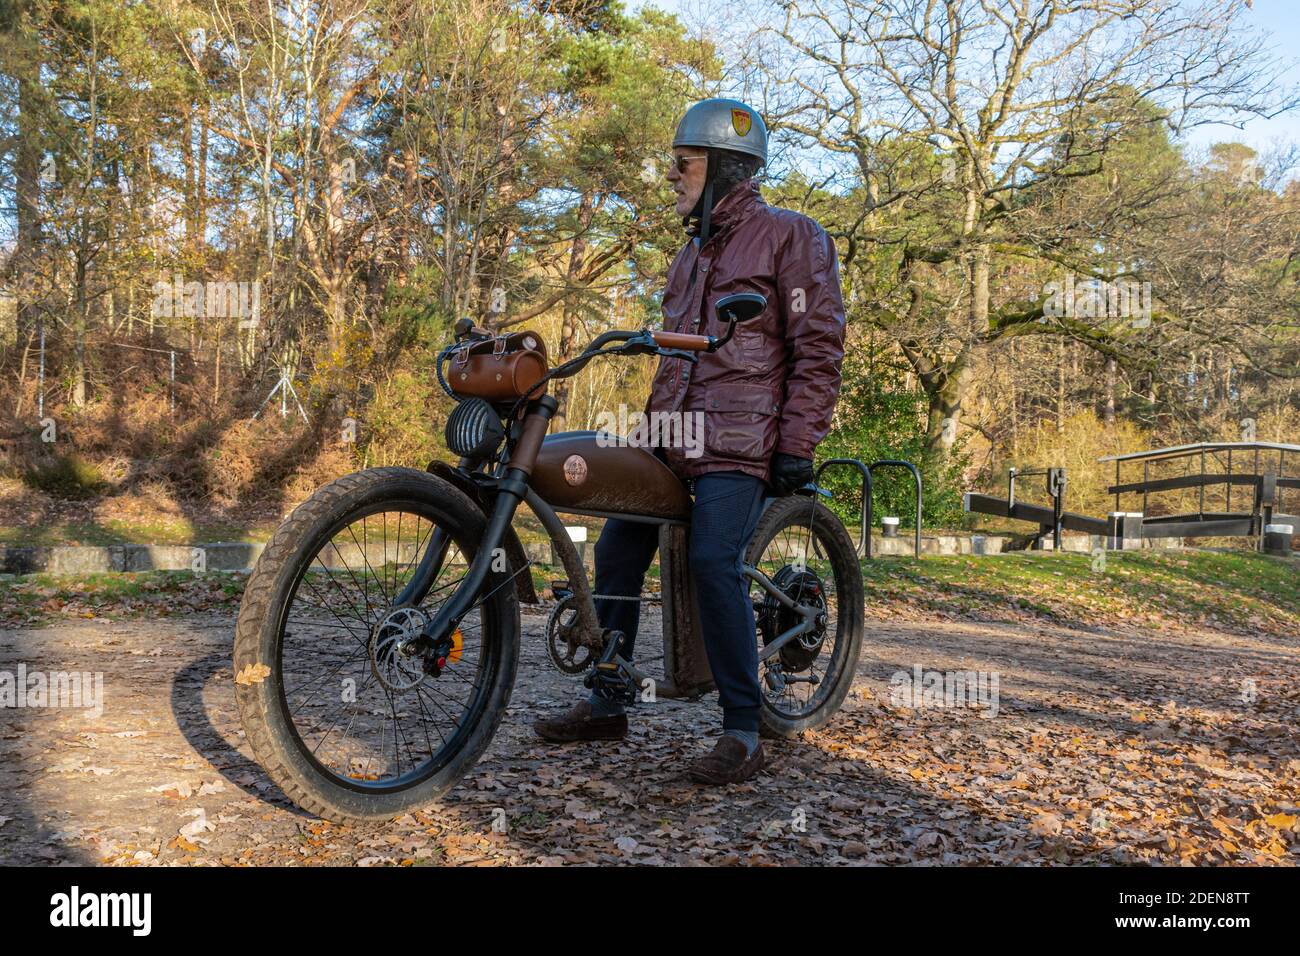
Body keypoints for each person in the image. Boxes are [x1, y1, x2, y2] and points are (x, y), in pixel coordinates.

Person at [534, 98, 847, 784]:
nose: (672, 175)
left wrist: (798, 439)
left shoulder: (792, 236)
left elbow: (818, 345)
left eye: (683, 163)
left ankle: (742, 728)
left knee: (712, 560)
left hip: (742, 438)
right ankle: (608, 700)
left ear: (727, 168)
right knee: (618, 546)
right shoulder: (688, 258)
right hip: (671, 435)